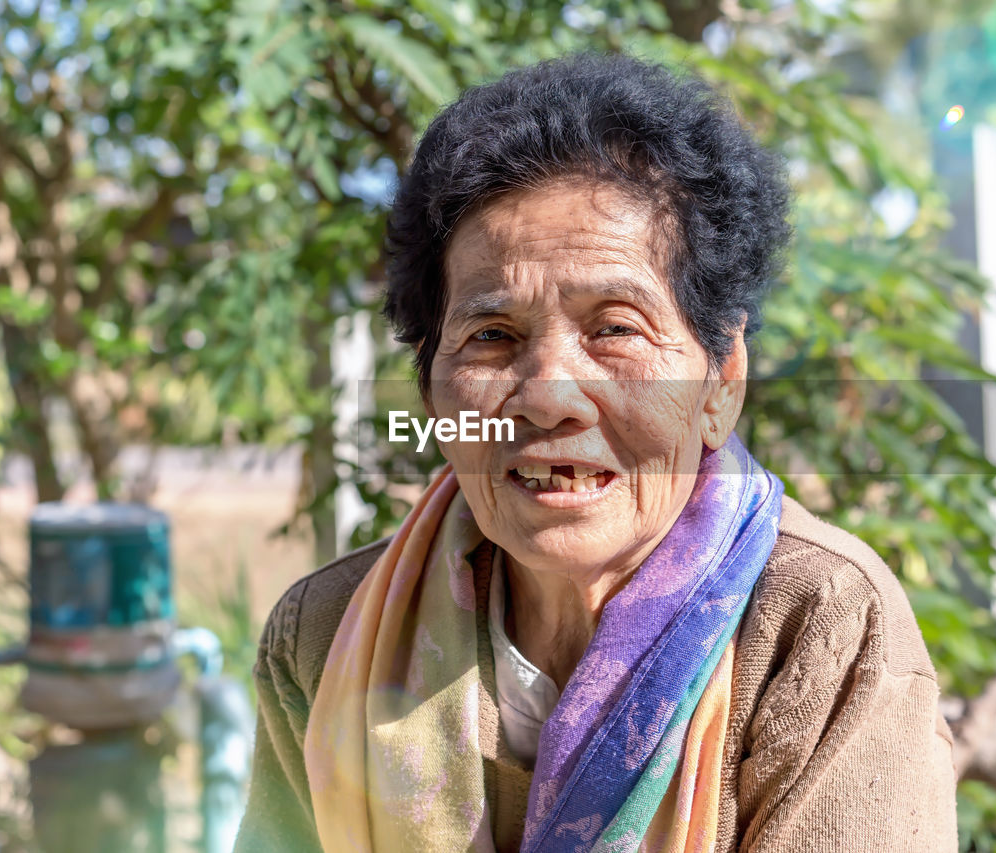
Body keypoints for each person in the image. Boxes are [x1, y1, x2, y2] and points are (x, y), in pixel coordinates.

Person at [234, 53, 957, 853]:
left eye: (615, 328)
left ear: (722, 380)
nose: (547, 394)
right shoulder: (326, 636)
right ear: (434, 399)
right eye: (491, 336)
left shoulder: (817, 626)